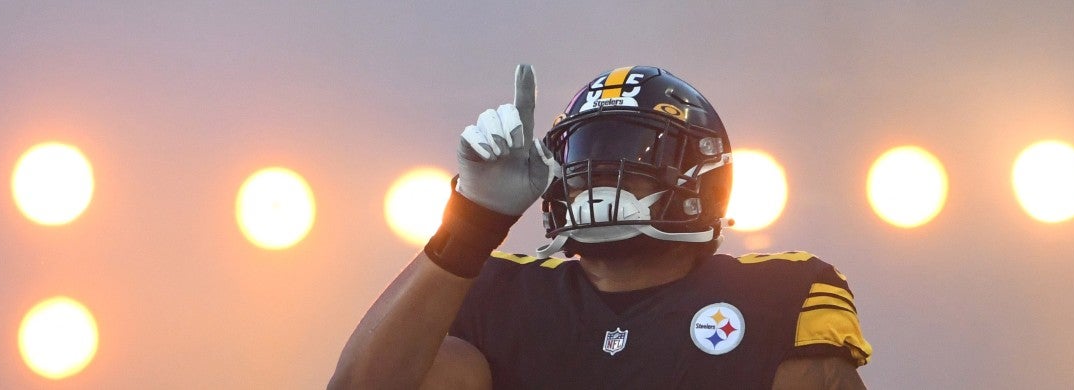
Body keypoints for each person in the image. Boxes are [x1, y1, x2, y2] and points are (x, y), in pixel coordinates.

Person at [330, 65, 872, 389]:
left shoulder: (780, 294)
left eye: (628, 153)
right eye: (586, 155)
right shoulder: (499, 289)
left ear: (701, 175)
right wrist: (473, 221)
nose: (598, 176)